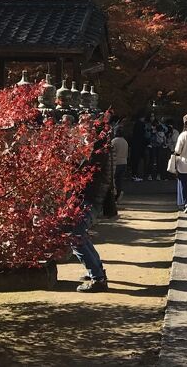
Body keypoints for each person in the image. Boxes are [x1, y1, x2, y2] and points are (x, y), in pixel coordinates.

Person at [72, 129, 113, 293]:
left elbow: (82, 174)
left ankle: (98, 278)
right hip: (92, 200)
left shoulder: (98, 155)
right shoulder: (102, 152)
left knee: (76, 236)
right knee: (80, 236)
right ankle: (97, 272)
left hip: (89, 200)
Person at [111, 125, 129, 201]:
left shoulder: (114, 141)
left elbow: (111, 152)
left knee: (113, 180)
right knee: (120, 180)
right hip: (124, 162)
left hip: (116, 163)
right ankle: (119, 194)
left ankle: (114, 196)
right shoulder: (125, 141)